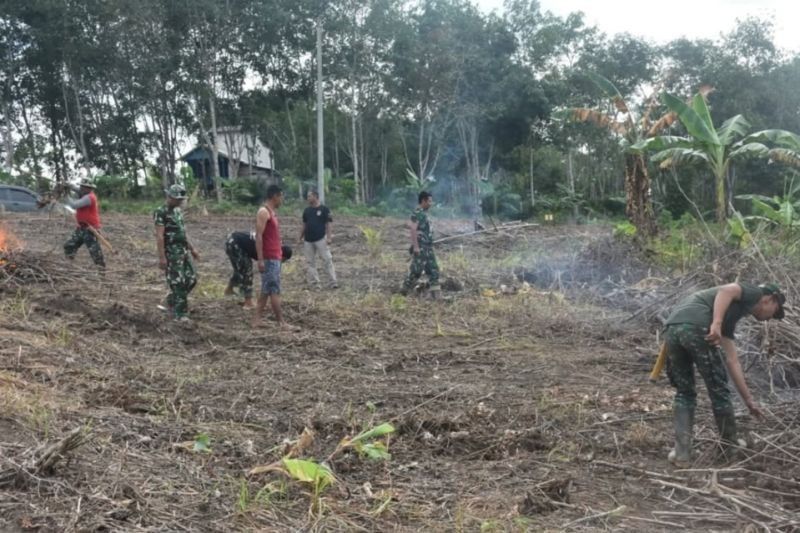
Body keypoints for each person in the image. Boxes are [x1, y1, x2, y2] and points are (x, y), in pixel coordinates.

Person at [664, 282, 785, 465]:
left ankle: (682, 454)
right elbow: (727, 290)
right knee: (719, 391)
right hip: (698, 327)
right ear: (769, 299)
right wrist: (716, 323)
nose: (771, 318)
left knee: (684, 392)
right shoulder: (755, 292)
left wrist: (748, 401)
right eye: (775, 311)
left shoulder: (731, 315)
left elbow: (732, 361)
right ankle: (729, 449)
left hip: (673, 327)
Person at [154, 184, 199, 322]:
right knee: (178, 282)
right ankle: (180, 314)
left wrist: (192, 249)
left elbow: (183, 232)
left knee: (191, 279)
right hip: (171, 253)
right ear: (169, 197)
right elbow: (160, 236)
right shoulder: (161, 212)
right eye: (177, 199)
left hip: (183, 251)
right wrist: (162, 257)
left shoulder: (178, 212)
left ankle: (173, 300)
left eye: (181, 199)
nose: (180, 201)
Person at [252, 185, 293, 329]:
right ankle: (281, 322)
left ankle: (256, 320)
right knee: (274, 290)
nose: (282, 199)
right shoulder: (264, 212)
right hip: (269, 258)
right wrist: (261, 259)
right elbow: (259, 236)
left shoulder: (272, 212)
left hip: (275, 256)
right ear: (274, 196)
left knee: (266, 290)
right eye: (281, 196)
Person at [225, 231, 294, 308]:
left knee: (240, 268)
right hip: (235, 243)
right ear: (282, 255)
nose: (280, 261)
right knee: (247, 271)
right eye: (282, 260)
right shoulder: (271, 251)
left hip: (233, 239)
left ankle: (229, 290)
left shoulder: (274, 245)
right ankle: (248, 302)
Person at [401, 191, 441, 298]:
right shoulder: (418, 213)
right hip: (421, 247)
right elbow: (413, 229)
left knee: (433, 270)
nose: (430, 204)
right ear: (423, 201)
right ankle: (404, 290)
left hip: (428, 247)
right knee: (416, 271)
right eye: (429, 201)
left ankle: (436, 296)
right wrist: (416, 247)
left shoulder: (423, 214)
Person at [300, 190, 338, 289]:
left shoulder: (325, 209)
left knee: (327, 260)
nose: (308, 198)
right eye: (307, 196)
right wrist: (300, 237)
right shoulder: (306, 211)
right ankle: (315, 284)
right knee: (310, 262)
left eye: (309, 196)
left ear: (316, 197)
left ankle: (333, 282)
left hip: (321, 238)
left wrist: (329, 237)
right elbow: (304, 225)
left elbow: (329, 224)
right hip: (308, 240)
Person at [63, 180, 105, 269]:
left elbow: (74, 205)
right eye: (81, 186)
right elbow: (76, 189)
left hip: (91, 229)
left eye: (83, 187)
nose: (81, 188)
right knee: (69, 245)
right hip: (81, 228)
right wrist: (68, 185)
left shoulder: (89, 198)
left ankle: (101, 270)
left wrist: (65, 195)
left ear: (89, 189)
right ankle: (69, 266)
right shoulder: (84, 193)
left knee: (95, 252)